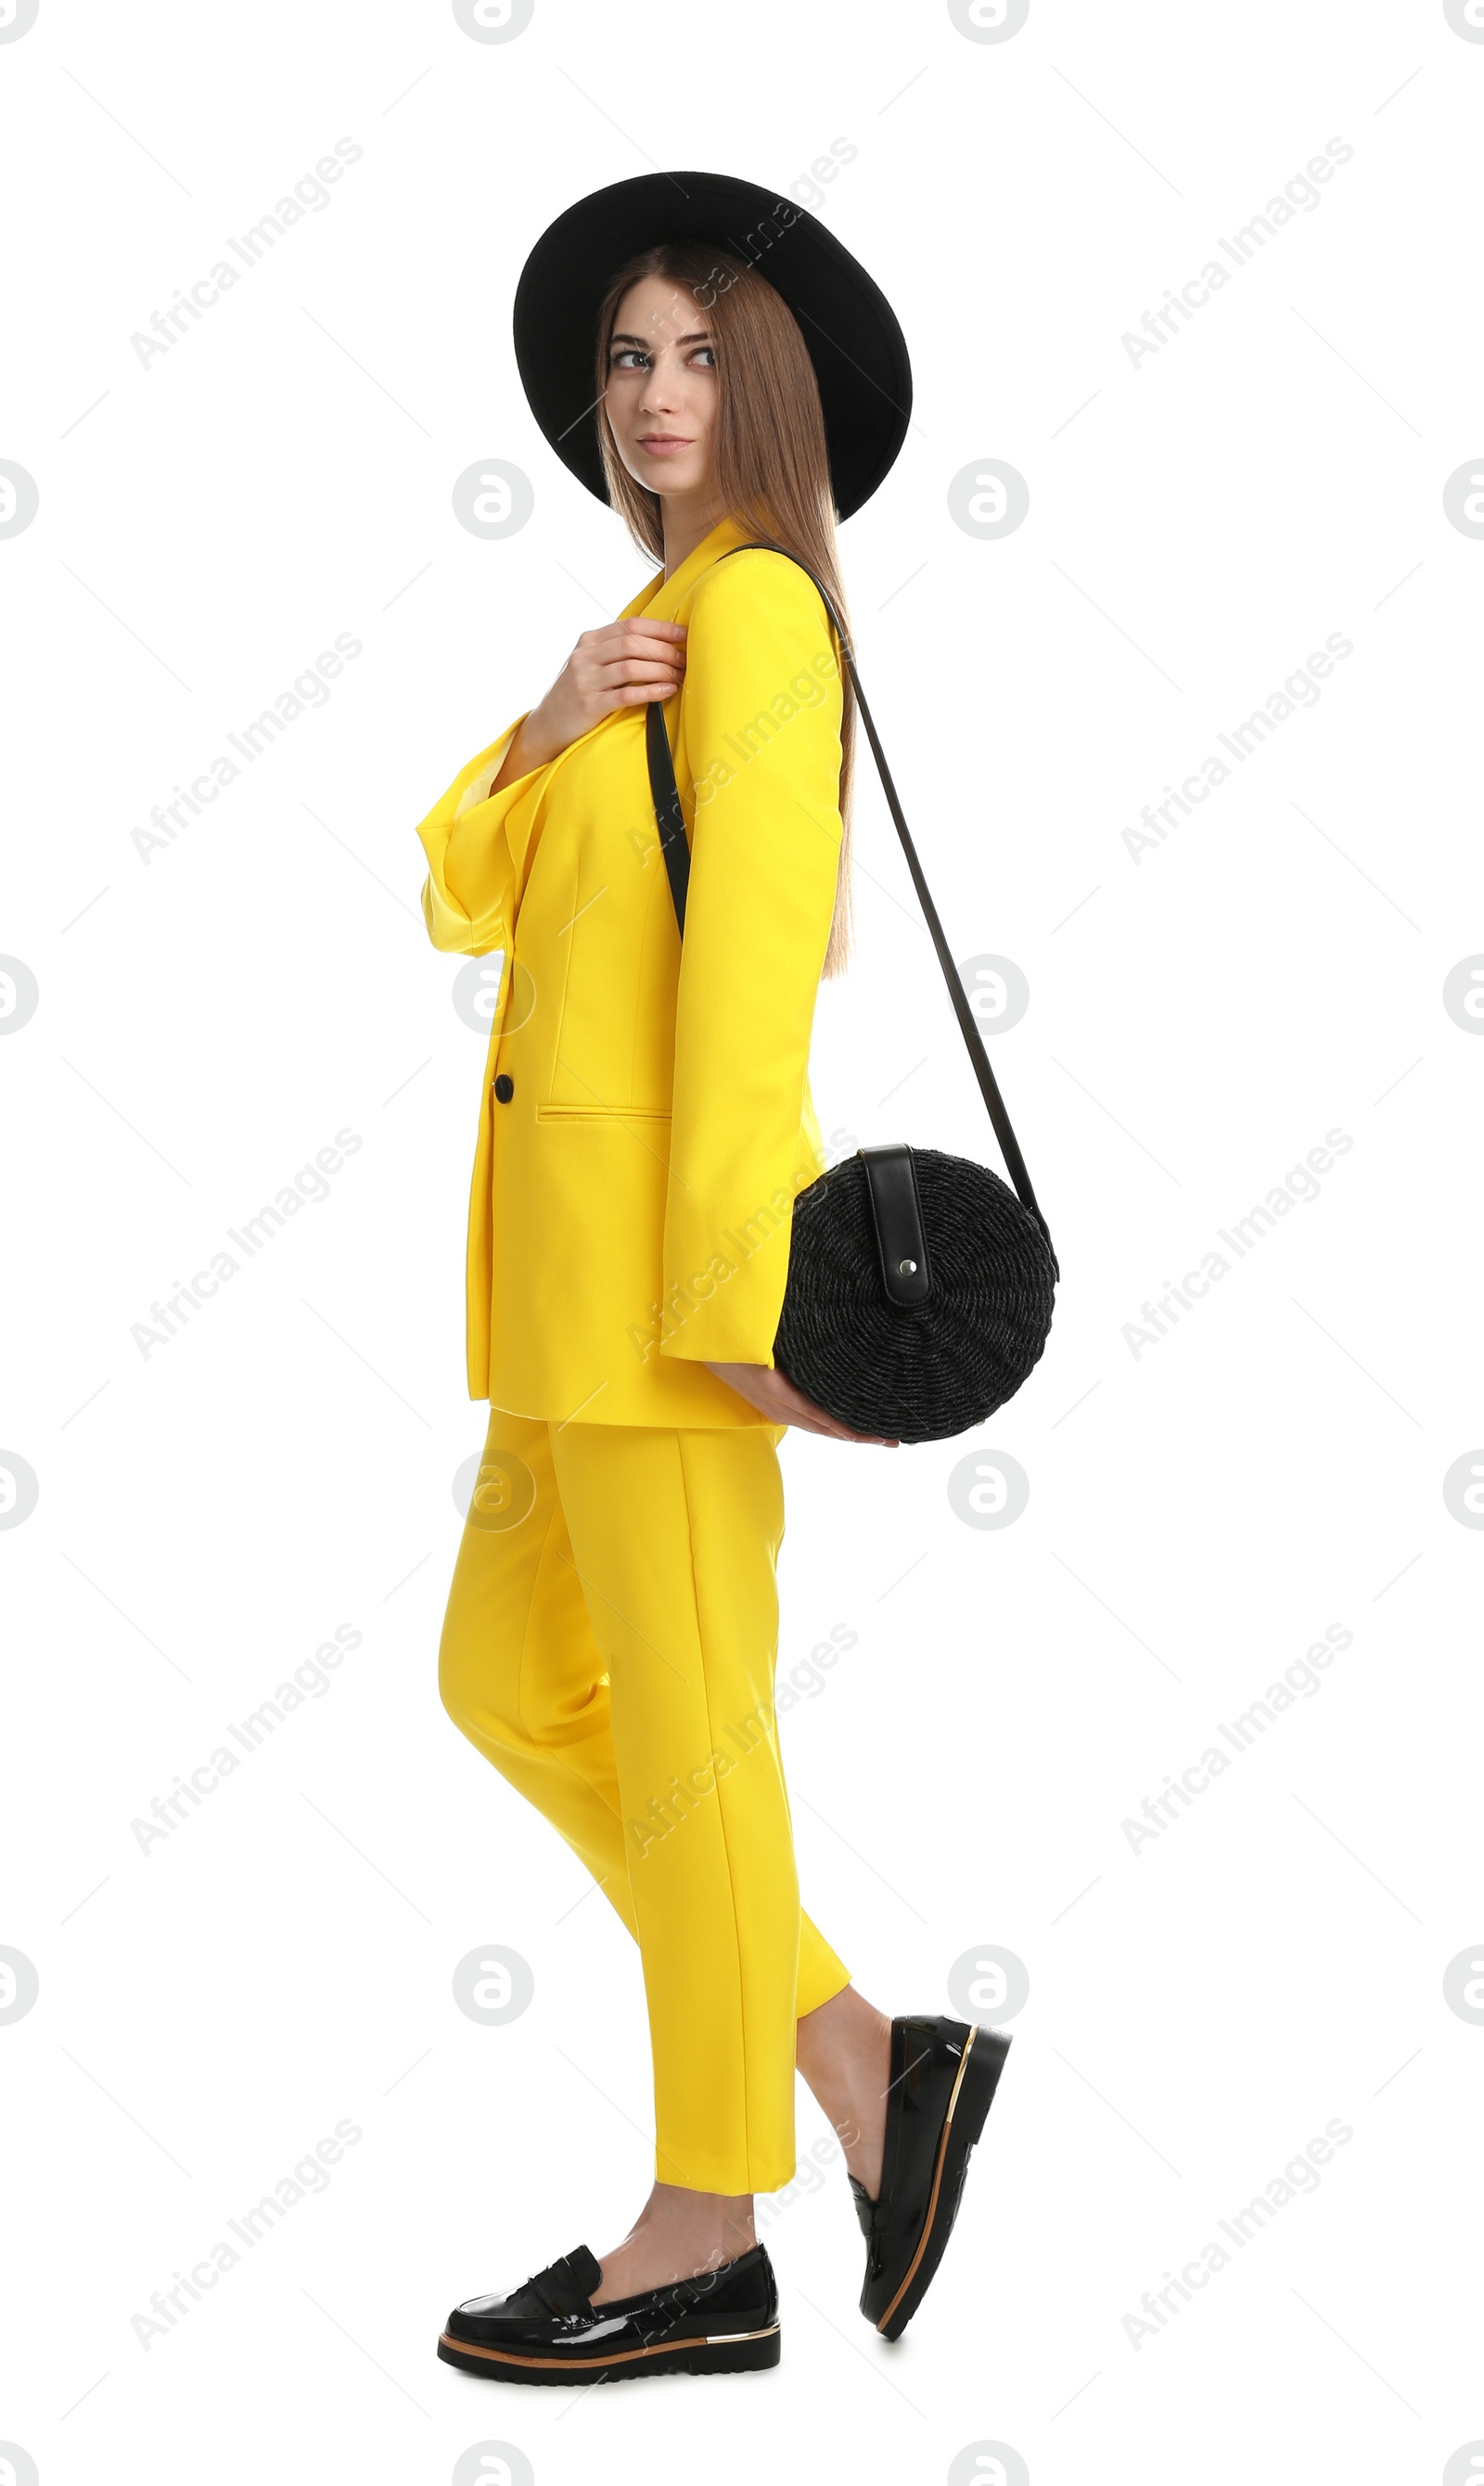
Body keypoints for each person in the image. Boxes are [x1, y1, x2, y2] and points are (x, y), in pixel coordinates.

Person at [414, 171, 1009, 2389]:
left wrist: (734, 1304)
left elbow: (758, 987)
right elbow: (453, 892)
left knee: (683, 1749)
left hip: (666, 1305)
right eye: (623, 361)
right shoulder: (640, 637)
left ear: (765, 393)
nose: (654, 394)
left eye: (692, 358)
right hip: (556, 1306)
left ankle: (702, 2221)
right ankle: (857, 2048)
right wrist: (550, 718)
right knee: (506, 1683)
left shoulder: (760, 614)